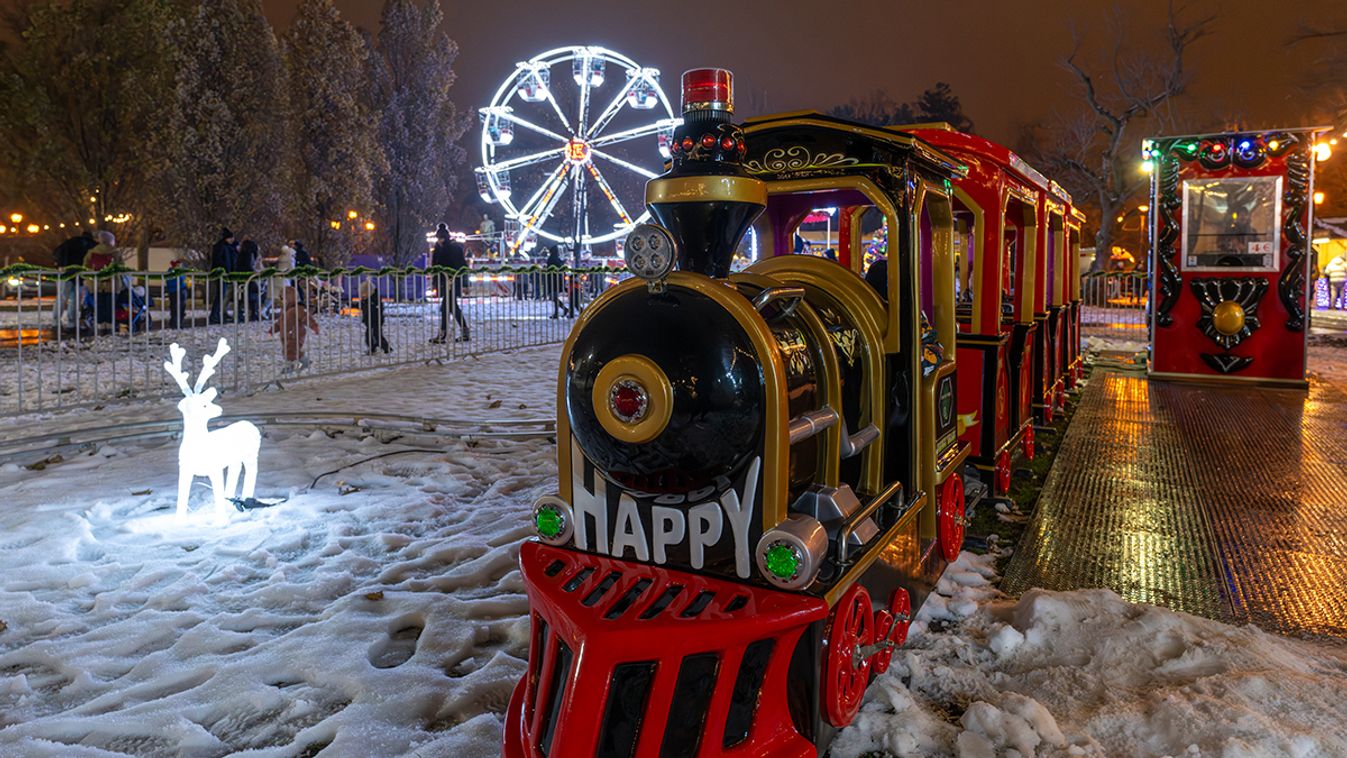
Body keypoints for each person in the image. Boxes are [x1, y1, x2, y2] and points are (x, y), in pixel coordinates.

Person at [430, 224, 469, 343]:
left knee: (447, 307)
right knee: (452, 307)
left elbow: (459, 265)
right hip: (448, 282)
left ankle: (443, 334)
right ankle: (464, 331)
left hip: (451, 282)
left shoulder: (449, 248)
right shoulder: (443, 247)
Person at [52, 230, 94, 330]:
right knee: (75, 299)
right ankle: (72, 323)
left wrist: (61, 264)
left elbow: (56, 251)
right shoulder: (90, 245)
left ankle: (56, 322)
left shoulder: (70, 242)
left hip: (65, 272)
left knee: (62, 298)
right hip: (78, 274)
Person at [269, 286, 319, 370]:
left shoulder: (298, 309)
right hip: (286, 335)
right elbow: (279, 323)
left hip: (295, 335)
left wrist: (314, 326)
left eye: (283, 298)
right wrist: (272, 330)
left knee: (290, 351)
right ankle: (304, 361)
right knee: (291, 351)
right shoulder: (284, 311)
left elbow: (306, 318)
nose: (282, 301)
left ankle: (291, 366)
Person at [208, 228, 237, 324]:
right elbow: (219, 260)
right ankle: (214, 316)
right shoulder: (223, 247)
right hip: (222, 274)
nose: (233, 240)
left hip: (223, 274)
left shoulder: (224, 246)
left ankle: (216, 315)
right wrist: (225, 268)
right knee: (221, 295)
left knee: (221, 295)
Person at [358, 280, 391, 355]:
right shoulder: (366, 300)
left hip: (375, 320)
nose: (362, 295)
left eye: (364, 294)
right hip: (369, 320)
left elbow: (377, 309)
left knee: (376, 335)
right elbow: (362, 306)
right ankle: (372, 348)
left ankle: (386, 348)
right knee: (369, 335)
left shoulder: (375, 299)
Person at [235, 239, 261, 322]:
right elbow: (249, 266)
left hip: (241, 277)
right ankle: (254, 313)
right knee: (252, 295)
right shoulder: (249, 255)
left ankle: (241, 313)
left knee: (242, 297)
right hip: (248, 277)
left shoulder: (241, 254)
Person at [545, 245, 571, 318]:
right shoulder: (557, 259)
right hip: (557, 280)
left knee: (553, 297)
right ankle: (562, 310)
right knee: (554, 297)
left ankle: (560, 311)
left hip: (553, 280)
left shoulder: (551, 259)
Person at [164, 259, 187, 329]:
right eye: (177, 265)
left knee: (181, 308)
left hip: (181, 290)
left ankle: (180, 322)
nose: (179, 266)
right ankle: (175, 323)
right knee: (175, 308)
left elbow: (183, 278)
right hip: (175, 292)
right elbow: (171, 282)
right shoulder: (171, 273)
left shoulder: (180, 272)